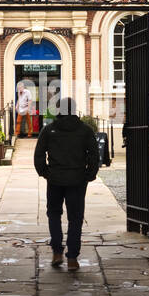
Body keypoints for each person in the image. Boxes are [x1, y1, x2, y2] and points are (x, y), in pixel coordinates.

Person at [34, 97, 99, 272]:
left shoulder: (49, 130)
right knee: (75, 218)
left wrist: (45, 172)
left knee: (54, 214)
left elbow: (39, 154)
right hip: (77, 179)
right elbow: (94, 154)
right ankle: (72, 258)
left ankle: (57, 251)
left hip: (55, 179)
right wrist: (89, 174)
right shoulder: (85, 130)